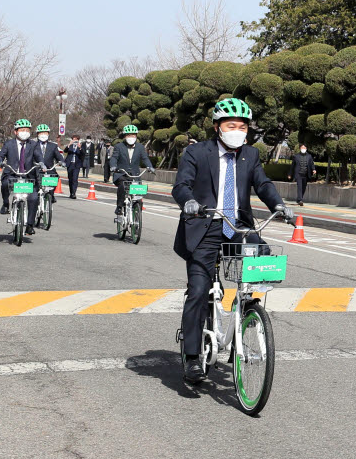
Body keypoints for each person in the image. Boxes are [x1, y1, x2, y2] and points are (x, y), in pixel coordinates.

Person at [171, 97, 293, 383]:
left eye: (242, 126)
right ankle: (191, 356)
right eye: (230, 125)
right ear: (217, 127)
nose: (237, 130)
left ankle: (246, 313)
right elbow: (182, 185)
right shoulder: (196, 152)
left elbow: (262, 184)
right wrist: (188, 201)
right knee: (199, 290)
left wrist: (279, 204)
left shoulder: (250, 155)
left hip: (237, 227)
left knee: (262, 258)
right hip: (204, 226)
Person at [0, 119, 40, 234]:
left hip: (28, 176)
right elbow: (1, 155)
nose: (25, 132)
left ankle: (30, 225)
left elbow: (38, 156)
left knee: (34, 198)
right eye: (22, 130)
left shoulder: (34, 144)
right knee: (5, 184)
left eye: (27, 130)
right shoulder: (8, 144)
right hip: (11, 174)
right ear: (15, 132)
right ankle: (6, 203)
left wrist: (42, 163)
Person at [110, 125, 154, 222]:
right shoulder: (119, 146)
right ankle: (119, 207)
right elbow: (114, 158)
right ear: (125, 136)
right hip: (121, 174)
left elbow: (145, 158)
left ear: (136, 136)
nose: (131, 137)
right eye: (129, 135)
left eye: (133, 135)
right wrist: (113, 166)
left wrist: (150, 167)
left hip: (135, 175)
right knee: (122, 186)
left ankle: (137, 211)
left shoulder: (140, 147)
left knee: (139, 192)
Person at [32, 125, 66, 203]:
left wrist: (62, 162)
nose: (43, 135)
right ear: (37, 134)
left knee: (55, 177)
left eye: (45, 133)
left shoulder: (53, 146)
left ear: (48, 134)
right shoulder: (33, 145)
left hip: (49, 169)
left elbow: (58, 156)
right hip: (36, 169)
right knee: (35, 186)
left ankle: (51, 195)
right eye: (41, 133)